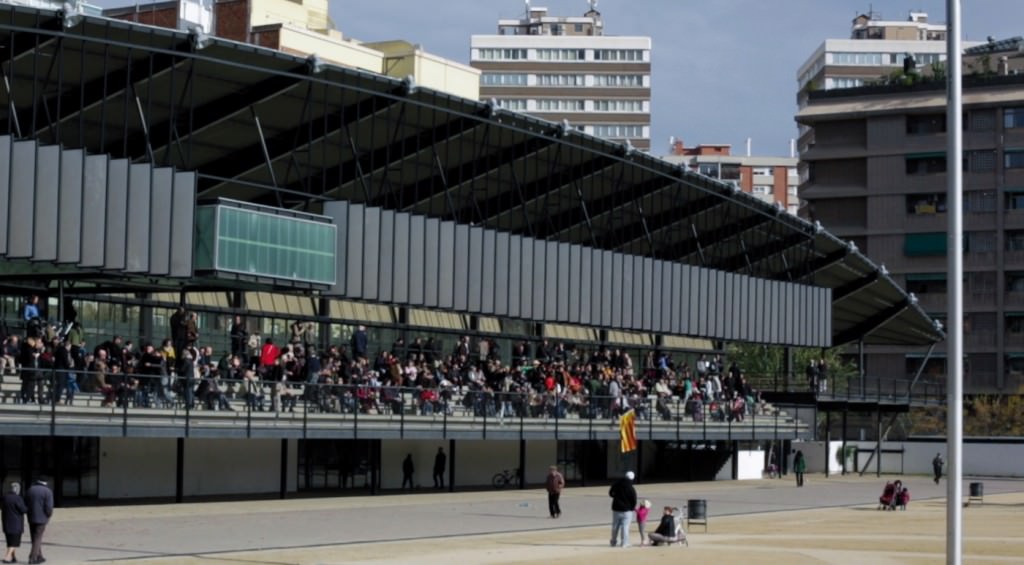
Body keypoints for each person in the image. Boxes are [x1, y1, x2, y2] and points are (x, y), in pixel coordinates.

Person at [24, 478, 52, 565]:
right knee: (38, 538)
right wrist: (48, 515)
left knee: (34, 537)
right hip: (41, 518)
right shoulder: (47, 491)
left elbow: (25, 503)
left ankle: (39, 555)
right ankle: (33, 557)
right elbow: (49, 507)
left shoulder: (30, 489)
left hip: (31, 516)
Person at [608, 471, 637, 548]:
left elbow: (611, 493)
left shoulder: (617, 484)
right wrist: (632, 508)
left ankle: (613, 542)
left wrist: (616, 497)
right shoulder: (631, 488)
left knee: (615, 526)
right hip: (626, 510)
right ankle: (624, 543)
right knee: (625, 526)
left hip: (616, 508)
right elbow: (633, 500)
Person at [2, 482, 27, 564]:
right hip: (16, 524)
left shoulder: (5, 497)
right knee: (14, 543)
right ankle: (7, 557)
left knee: (10, 541)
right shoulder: (17, 498)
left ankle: (13, 557)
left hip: (6, 523)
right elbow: (23, 510)